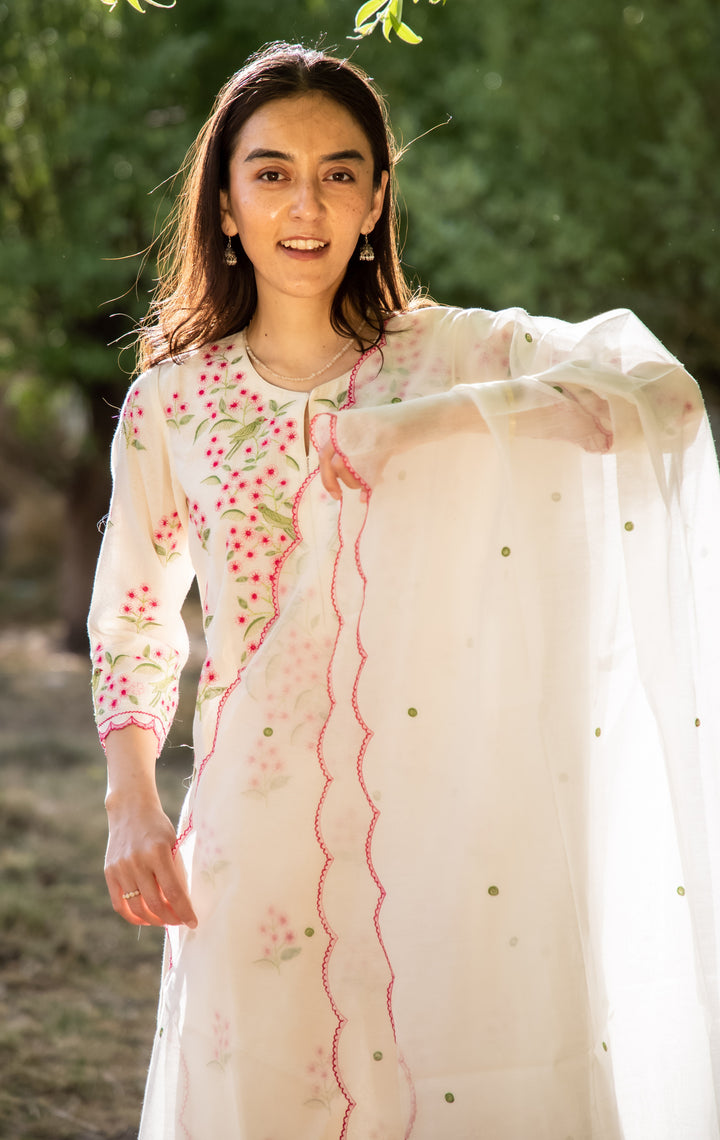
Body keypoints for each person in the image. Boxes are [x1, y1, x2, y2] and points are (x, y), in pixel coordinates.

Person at [88, 41, 720, 1140]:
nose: (307, 205)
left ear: (378, 199)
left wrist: (421, 428)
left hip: (445, 823)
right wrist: (129, 801)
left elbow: (654, 397)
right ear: (226, 204)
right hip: (253, 829)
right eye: (272, 173)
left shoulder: (453, 356)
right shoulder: (172, 402)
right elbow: (136, 621)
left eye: (340, 173)